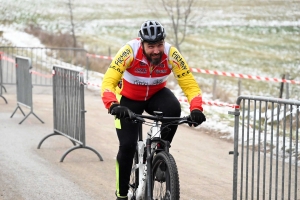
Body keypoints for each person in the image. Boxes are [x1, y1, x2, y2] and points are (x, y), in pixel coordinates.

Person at [101, 20, 206, 200]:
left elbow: (189, 84)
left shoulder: (171, 54)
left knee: (173, 108)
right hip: (128, 99)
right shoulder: (129, 51)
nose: (156, 50)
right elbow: (108, 81)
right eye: (151, 46)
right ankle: (122, 194)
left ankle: (160, 156)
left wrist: (196, 108)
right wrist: (113, 105)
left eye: (159, 45)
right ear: (142, 43)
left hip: (155, 96)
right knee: (127, 146)